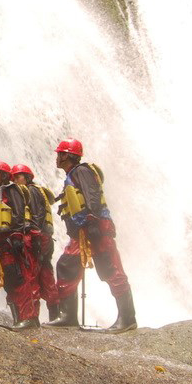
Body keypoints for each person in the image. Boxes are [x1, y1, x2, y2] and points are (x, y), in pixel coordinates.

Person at [46, 139, 136, 333]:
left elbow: (92, 196)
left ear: (67, 155)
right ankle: (68, 316)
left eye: (60, 154)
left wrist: (93, 221)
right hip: (81, 233)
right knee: (66, 265)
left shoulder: (82, 172)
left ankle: (127, 318)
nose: (57, 157)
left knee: (110, 268)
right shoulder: (73, 174)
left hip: (94, 228)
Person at [0, 160, 40, 329]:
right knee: (9, 281)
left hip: (10, 243)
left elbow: (19, 213)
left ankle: (28, 317)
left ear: (5, 175)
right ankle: (18, 319)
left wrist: (17, 237)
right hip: (0, 246)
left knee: (18, 278)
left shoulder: (10, 190)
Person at [12, 163, 59, 320]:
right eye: (14, 178)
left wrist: (35, 236)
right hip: (45, 237)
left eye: (18, 177)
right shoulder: (37, 190)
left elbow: (36, 215)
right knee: (46, 274)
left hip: (38, 237)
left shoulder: (31, 191)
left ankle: (33, 317)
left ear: (27, 177)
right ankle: (55, 313)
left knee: (31, 275)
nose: (15, 180)